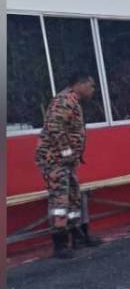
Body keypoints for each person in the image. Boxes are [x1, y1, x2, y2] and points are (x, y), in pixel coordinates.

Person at [35, 72, 102, 259]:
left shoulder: (73, 100)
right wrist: (67, 153)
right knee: (60, 200)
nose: (93, 90)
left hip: (66, 161)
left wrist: (72, 157)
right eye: (91, 85)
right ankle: (60, 243)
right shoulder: (64, 100)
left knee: (73, 197)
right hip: (54, 160)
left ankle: (78, 237)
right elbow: (54, 128)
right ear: (80, 84)